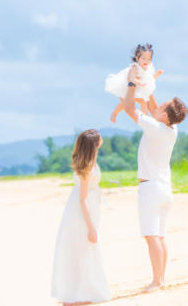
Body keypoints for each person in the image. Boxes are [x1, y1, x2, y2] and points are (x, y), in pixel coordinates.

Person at [122, 67, 188, 292]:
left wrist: (131, 83)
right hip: (164, 189)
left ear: (165, 116)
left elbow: (129, 108)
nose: (158, 105)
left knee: (152, 237)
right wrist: (147, 81)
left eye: (163, 106)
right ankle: (161, 278)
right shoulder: (172, 129)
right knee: (159, 237)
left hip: (150, 189)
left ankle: (157, 281)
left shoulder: (155, 127)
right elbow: (153, 106)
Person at [51, 129, 110, 305]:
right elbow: (83, 200)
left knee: (80, 250)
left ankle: (76, 292)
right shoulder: (88, 165)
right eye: (99, 137)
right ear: (95, 143)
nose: (102, 137)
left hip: (84, 207)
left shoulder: (88, 160)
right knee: (82, 249)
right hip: (82, 210)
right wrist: (91, 227)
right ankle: (77, 294)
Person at [105, 43, 164, 123]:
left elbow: (149, 79)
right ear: (137, 58)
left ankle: (145, 119)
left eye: (148, 59)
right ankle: (114, 114)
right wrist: (139, 83)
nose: (146, 61)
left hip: (138, 88)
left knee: (144, 102)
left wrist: (157, 74)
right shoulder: (135, 67)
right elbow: (131, 79)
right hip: (126, 87)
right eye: (143, 59)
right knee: (124, 103)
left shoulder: (148, 67)